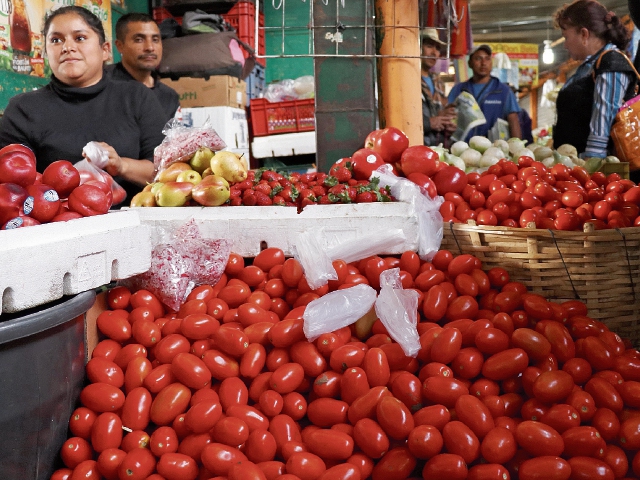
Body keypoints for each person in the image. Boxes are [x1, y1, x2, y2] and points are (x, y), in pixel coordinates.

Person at [0, 6, 166, 205]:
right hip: (57, 229)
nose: (67, 47)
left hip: (133, 222)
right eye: (56, 40)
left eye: (79, 38)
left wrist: (120, 165)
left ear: (105, 50)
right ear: (45, 53)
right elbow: (11, 186)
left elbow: (164, 172)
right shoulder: (23, 109)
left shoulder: (137, 97)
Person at [553, 0, 635, 159]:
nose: (565, 45)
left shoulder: (611, 64)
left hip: (600, 171)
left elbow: (602, 126)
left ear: (584, 34)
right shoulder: (591, 66)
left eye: (566, 37)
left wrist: (591, 166)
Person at [108, 12, 180, 123]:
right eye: (139, 40)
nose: (150, 47)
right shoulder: (101, 83)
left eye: (155, 40)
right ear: (120, 46)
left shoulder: (169, 96)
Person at [447, 44, 522, 142]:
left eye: (487, 59)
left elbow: (513, 121)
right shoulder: (459, 89)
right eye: (478, 58)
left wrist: (516, 149)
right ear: (470, 63)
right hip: (464, 149)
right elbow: (448, 116)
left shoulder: (503, 91)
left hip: (494, 150)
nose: (483, 63)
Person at [420, 28, 456, 146]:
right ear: (418, 47)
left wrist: (448, 123)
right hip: (417, 148)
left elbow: (438, 114)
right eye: (430, 46)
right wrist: (428, 123)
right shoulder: (408, 80)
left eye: (437, 49)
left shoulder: (437, 81)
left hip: (437, 148)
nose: (434, 53)